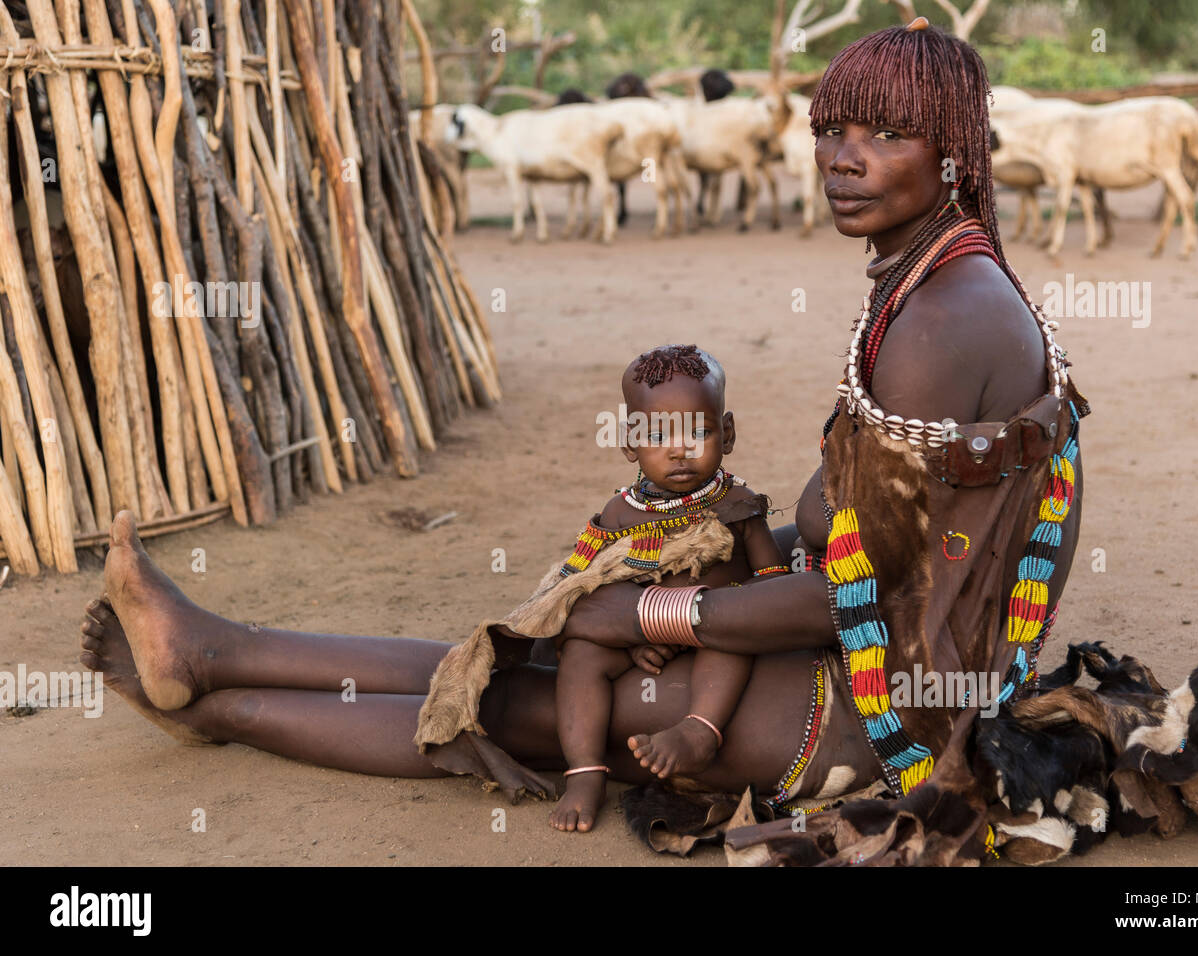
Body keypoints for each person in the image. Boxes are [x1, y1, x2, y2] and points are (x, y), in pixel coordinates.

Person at [83, 21, 1115, 864]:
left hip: (879, 714)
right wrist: (704, 595)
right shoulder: (937, 278)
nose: (842, 157)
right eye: (830, 127)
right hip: (880, 654)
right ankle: (214, 655)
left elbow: (845, 590)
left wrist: (664, 606)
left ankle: (219, 698)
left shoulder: (939, 318)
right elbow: (864, 538)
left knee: (527, 701)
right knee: (541, 658)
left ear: (952, 153)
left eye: (883, 135)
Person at [547, 344, 789, 832]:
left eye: (699, 432)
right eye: (659, 436)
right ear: (629, 442)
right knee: (580, 656)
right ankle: (585, 772)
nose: (680, 450)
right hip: (640, 632)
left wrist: (741, 616)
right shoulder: (619, 514)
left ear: (727, 432)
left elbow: (772, 586)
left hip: (714, 628)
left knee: (738, 636)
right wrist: (631, 640)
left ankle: (700, 731)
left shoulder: (737, 505)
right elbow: (582, 585)